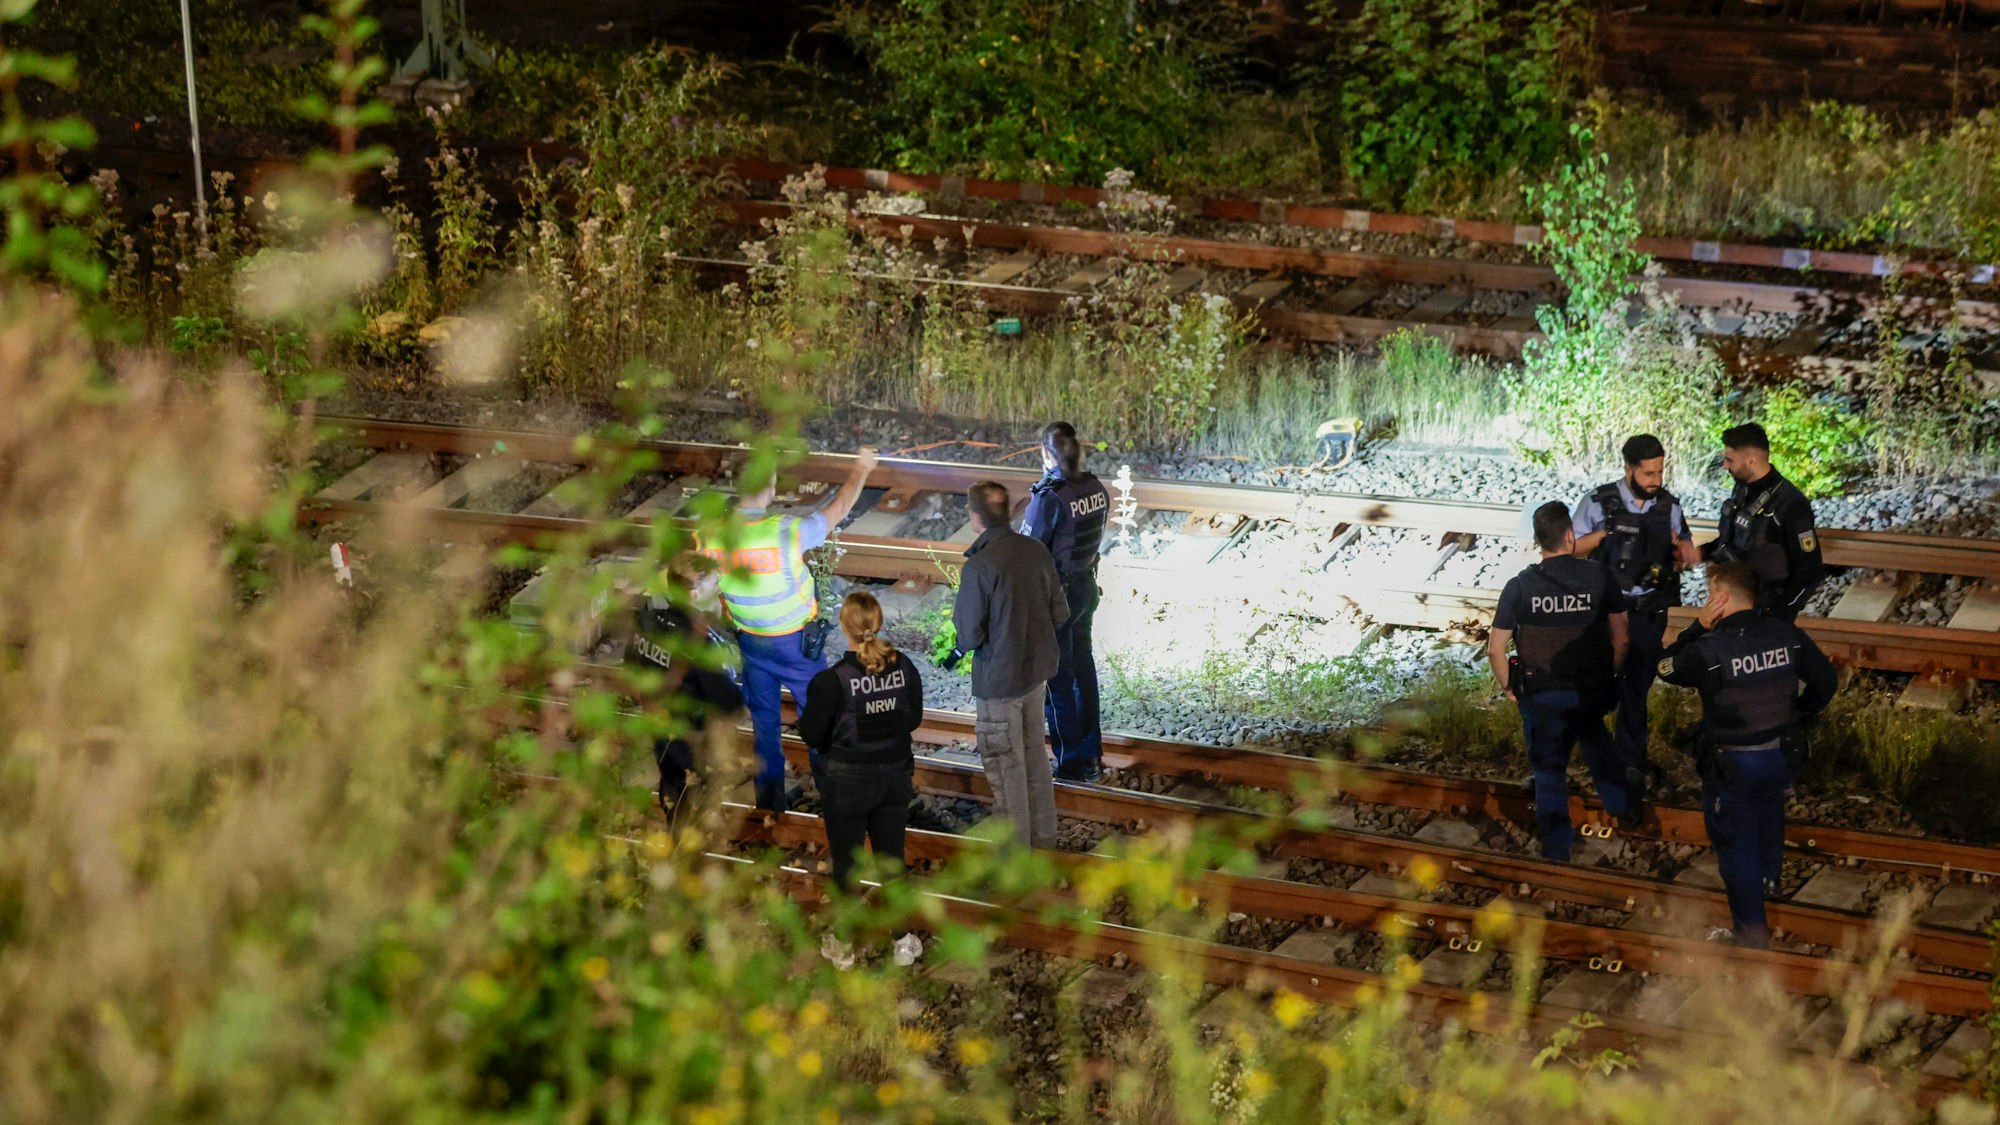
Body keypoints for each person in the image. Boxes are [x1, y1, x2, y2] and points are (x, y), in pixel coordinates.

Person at [1658, 561, 1837, 948]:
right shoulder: (1785, 633)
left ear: (1720, 597)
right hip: (1780, 756)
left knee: (1736, 846)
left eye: (1709, 595)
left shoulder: (1710, 649)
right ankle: (1770, 883)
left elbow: (1665, 667)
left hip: (1733, 763)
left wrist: (1695, 627)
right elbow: (1826, 680)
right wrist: (1799, 716)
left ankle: (1750, 935)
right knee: (1769, 813)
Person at [703, 446, 879, 812]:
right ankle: (834, 802)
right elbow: (840, 509)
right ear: (769, 487)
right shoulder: (785, 531)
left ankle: (770, 805)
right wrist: (861, 468)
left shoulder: (712, 534)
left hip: (751, 644)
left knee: (764, 728)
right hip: (796, 648)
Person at [1488, 501, 1633, 860]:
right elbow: (1622, 637)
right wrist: (1611, 674)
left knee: (1549, 771)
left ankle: (1557, 851)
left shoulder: (1519, 586)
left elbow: (1496, 649)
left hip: (1541, 693)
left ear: (1539, 540)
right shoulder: (1599, 577)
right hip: (1589, 690)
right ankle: (1622, 808)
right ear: (1570, 536)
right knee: (1597, 740)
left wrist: (1509, 686)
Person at [1572, 433, 1702, 817]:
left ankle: (1629, 761)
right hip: (1605, 613)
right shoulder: (1598, 503)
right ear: (1628, 469)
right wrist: (1602, 537)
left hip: (1648, 611)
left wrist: (1684, 555)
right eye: (1648, 472)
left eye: (1660, 471)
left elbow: (1685, 550)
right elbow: (1570, 548)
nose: (1655, 479)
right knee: (1599, 684)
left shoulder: (1670, 506)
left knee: (1637, 686)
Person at [948, 480, 1068, 848]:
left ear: (974, 516)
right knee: (1034, 756)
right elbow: (1060, 613)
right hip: (1036, 677)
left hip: (999, 683)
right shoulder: (1035, 551)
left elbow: (968, 635)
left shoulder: (980, 566)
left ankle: (1017, 863)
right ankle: (1045, 840)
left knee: (1006, 767)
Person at [797, 591, 924, 890]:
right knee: (892, 861)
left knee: (847, 864)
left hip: (848, 781)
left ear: (843, 625)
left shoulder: (833, 679)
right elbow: (913, 719)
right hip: (896, 775)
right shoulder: (904, 667)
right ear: (878, 622)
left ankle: (845, 936)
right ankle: (901, 936)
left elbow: (812, 734)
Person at [621, 554, 744, 817]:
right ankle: (684, 845)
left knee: (671, 781)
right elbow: (727, 699)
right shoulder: (696, 644)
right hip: (689, 731)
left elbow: (631, 660)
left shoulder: (649, 620)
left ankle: (677, 833)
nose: (720, 589)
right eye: (714, 585)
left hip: (658, 721)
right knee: (689, 792)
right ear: (695, 595)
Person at [1021, 421, 1110, 782]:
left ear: (1045, 454)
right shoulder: (1095, 487)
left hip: (1058, 598)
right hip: (1087, 588)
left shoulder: (1049, 497)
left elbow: (1028, 554)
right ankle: (1091, 752)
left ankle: (1071, 763)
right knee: (1083, 673)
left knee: (1057, 682)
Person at [1701, 423, 1824, 621]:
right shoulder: (1742, 490)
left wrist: (1781, 614)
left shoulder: (1791, 505)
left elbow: (1810, 570)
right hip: (1732, 607)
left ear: (1751, 460)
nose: (1725, 466)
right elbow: (1731, 543)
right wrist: (1700, 553)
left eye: (1729, 460)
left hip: (1767, 612)